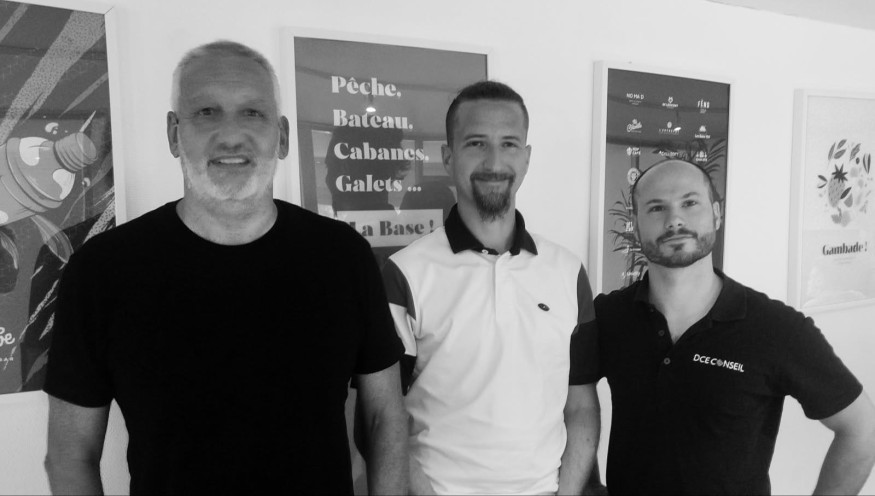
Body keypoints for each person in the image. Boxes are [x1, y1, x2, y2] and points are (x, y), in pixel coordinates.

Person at [42, 40, 408, 495]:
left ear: (283, 136)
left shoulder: (344, 256)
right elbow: (69, 455)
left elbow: (384, 417)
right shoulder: (101, 272)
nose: (231, 136)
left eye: (253, 113)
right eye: (206, 112)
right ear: (174, 134)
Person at [588, 158, 875, 494]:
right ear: (636, 226)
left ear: (716, 214)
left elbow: (862, 429)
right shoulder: (608, 316)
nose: (674, 219)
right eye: (656, 208)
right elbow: (569, 403)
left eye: (690, 203)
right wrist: (587, 485)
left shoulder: (775, 328)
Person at [381, 81, 600, 494]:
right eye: (476, 143)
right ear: (448, 156)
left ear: (527, 157)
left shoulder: (568, 272)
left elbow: (581, 406)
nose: (494, 161)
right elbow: (383, 416)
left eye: (509, 144)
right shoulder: (405, 273)